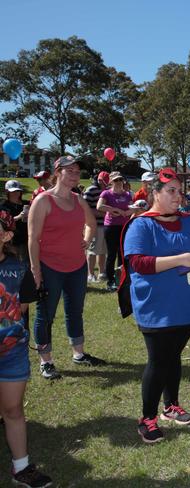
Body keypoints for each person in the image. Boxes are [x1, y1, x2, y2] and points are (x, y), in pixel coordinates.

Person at [122, 167, 190, 443]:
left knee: (172, 357)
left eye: (179, 190)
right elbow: (138, 263)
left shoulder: (187, 221)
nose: (178, 196)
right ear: (155, 194)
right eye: (171, 191)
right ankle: (146, 418)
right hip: (156, 307)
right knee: (159, 360)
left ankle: (171, 405)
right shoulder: (141, 224)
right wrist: (179, 259)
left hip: (185, 305)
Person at [28, 156, 102, 380]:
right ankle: (46, 360)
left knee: (75, 311)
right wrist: (35, 269)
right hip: (49, 267)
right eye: (70, 171)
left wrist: (86, 240)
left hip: (77, 267)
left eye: (77, 172)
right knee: (45, 315)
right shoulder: (42, 201)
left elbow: (91, 224)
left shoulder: (78, 200)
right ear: (57, 172)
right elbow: (32, 239)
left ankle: (78, 354)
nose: (75, 175)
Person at [0, 211, 53, 488]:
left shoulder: (19, 269)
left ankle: (21, 467)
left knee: (12, 409)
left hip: (11, 352)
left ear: (6, 236)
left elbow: (21, 311)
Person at [97, 171, 133, 290]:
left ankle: (121, 279)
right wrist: (114, 209)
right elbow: (99, 206)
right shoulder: (106, 193)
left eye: (120, 179)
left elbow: (132, 208)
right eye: (116, 180)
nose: (119, 182)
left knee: (122, 254)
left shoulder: (127, 194)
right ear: (111, 182)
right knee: (111, 254)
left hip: (124, 226)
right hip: (111, 227)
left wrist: (127, 212)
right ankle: (110, 281)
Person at [83, 171, 109, 282]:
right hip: (94, 225)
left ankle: (102, 272)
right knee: (92, 251)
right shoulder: (91, 190)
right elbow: (85, 209)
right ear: (98, 180)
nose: (104, 185)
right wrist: (105, 214)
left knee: (102, 250)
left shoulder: (107, 191)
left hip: (105, 225)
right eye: (103, 182)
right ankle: (90, 274)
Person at [1, 180, 29, 262]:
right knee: (17, 263)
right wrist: (19, 217)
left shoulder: (26, 204)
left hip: (28, 239)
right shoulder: (4, 206)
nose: (16, 193)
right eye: (13, 191)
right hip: (13, 242)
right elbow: (4, 223)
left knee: (28, 264)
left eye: (18, 191)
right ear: (7, 192)